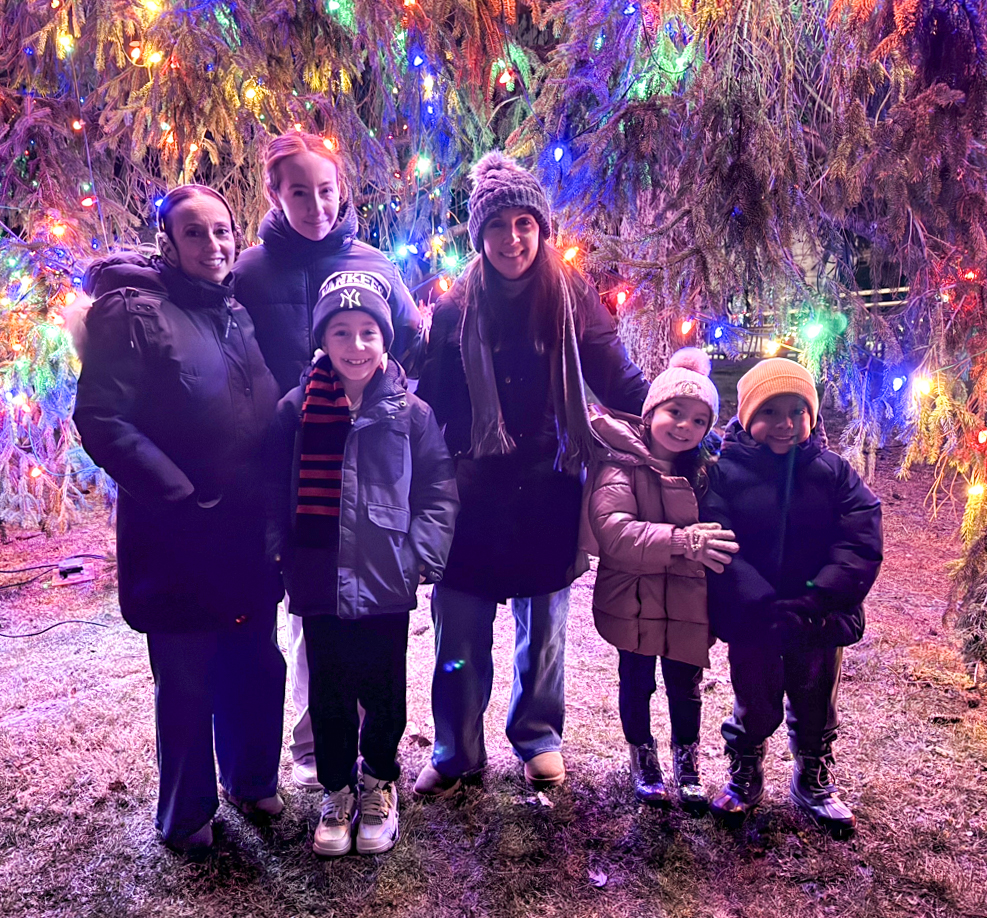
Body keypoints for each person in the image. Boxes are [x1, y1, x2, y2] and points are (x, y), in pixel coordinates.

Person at [413, 151, 649, 798]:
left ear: (542, 229)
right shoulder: (455, 308)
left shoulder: (569, 296)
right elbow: (433, 402)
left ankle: (538, 736)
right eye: (497, 226)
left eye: (524, 223)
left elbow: (615, 375)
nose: (511, 239)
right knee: (458, 631)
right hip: (474, 496)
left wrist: (669, 419)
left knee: (542, 631)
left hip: (549, 487)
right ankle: (456, 747)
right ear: (478, 236)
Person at [74, 185, 286, 855]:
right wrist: (178, 493)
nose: (215, 245)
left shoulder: (237, 313)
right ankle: (186, 812)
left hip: (246, 531)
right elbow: (102, 418)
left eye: (223, 231)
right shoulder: (131, 314)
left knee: (256, 662)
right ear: (167, 242)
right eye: (196, 233)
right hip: (176, 536)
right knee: (188, 679)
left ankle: (251, 780)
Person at [233, 132, 423, 790]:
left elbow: (413, 345)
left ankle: (373, 754)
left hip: (366, 459)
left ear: (340, 189)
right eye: (297, 192)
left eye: (325, 189)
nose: (314, 204)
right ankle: (316, 747)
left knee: (370, 620)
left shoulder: (374, 262)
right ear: (274, 196)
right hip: (295, 460)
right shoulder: (251, 271)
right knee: (313, 613)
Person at [270, 271, 458, 855]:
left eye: (369, 332)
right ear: (323, 339)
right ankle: (335, 789)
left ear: (386, 339)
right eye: (342, 333)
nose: (356, 346)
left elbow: (438, 490)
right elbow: (272, 488)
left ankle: (378, 782)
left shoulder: (411, 414)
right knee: (327, 690)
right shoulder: (296, 410)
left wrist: (419, 557)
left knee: (382, 688)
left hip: (384, 578)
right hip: (318, 575)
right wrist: (279, 550)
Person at [700, 358, 883, 836]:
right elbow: (720, 539)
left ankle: (813, 776)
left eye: (797, 412)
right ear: (746, 417)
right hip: (756, 617)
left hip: (817, 617)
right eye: (771, 412)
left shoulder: (833, 472)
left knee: (816, 698)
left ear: (812, 417)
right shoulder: (725, 474)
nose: (785, 424)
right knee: (754, 697)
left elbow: (859, 539)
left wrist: (815, 597)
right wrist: (758, 600)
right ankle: (746, 770)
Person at [587, 349, 737, 812]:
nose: (684, 427)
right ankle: (643, 759)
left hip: (689, 602)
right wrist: (682, 542)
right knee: (637, 680)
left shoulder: (705, 474)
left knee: (684, 684)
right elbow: (614, 531)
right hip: (633, 598)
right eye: (675, 413)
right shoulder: (621, 466)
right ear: (651, 412)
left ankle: (687, 764)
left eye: (698, 420)